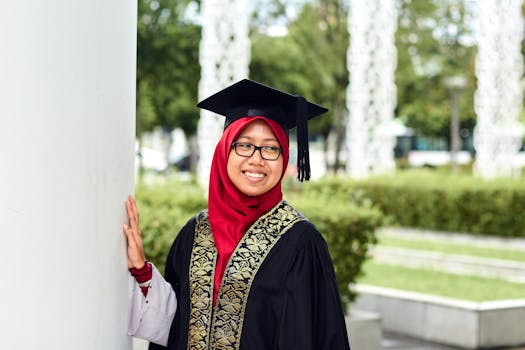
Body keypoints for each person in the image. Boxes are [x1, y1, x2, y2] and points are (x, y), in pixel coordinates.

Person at [123, 79, 351, 350]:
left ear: (284, 157)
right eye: (244, 145)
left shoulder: (301, 242)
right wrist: (142, 271)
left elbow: (314, 336)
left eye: (271, 147)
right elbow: (174, 324)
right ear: (224, 152)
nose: (257, 159)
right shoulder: (195, 232)